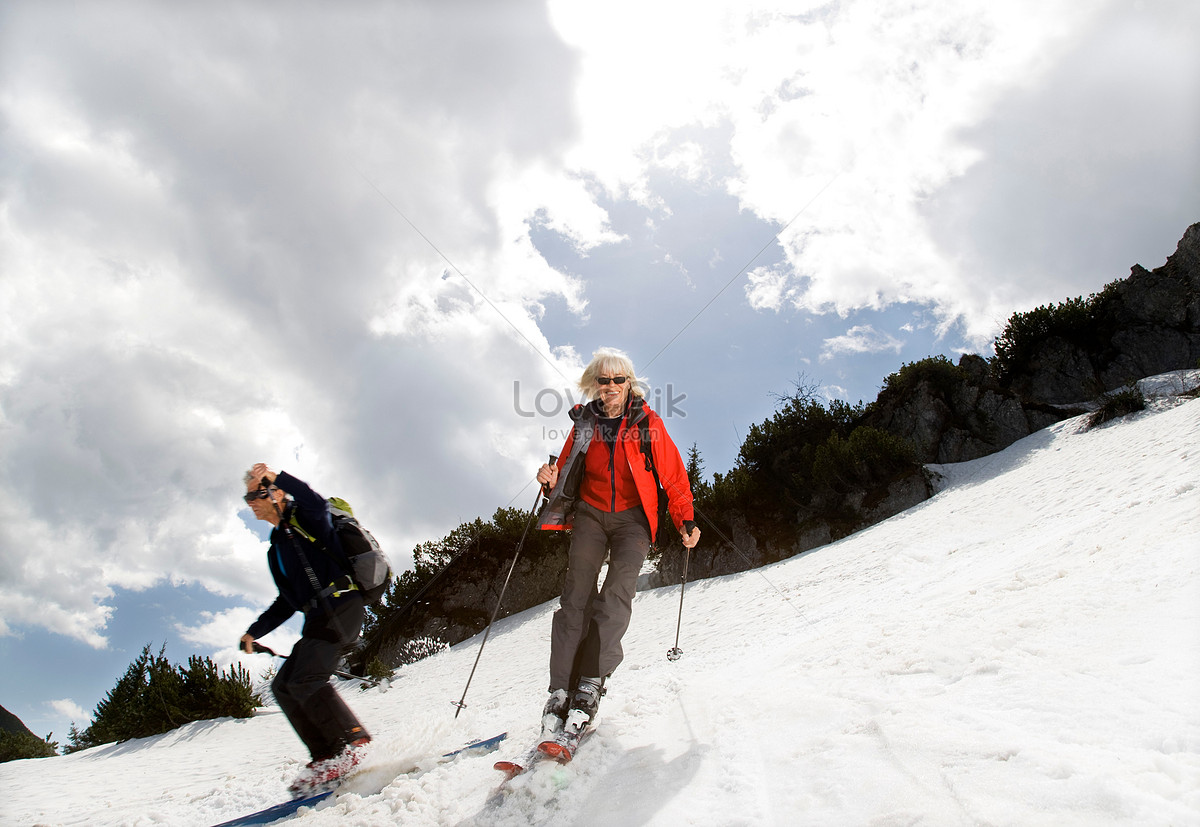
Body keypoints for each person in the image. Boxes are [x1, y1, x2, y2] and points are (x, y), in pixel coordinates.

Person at [535, 348, 700, 743]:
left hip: (633, 520)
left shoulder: (647, 423)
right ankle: (559, 691)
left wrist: (685, 519)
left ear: (629, 384)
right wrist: (547, 479)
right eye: (603, 381)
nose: (610, 387)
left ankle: (589, 685)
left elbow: (673, 477)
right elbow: (564, 472)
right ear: (594, 384)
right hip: (590, 515)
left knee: (617, 594)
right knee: (576, 594)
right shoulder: (584, 423)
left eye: (618, 380)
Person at [238, 463, 371, 796]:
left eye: (255, 493)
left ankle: (354, 742)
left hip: (341, 606)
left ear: (275, 493)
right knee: (283, 686)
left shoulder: (305, 516)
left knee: (304, 679)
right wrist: (255, 632)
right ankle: (325, 756)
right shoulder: (276, 547)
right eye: (247, 496)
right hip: (317, 618)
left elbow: (314, 499)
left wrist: (277, 476)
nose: (250, 501)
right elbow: (287, 600)